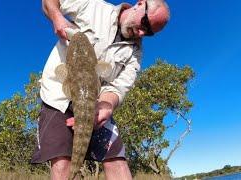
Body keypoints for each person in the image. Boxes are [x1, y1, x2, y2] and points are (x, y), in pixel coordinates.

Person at [31, 0, 170, 179]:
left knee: (116, 159)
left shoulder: (135, 52)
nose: (142, 33)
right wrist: (57, 17)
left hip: (96, 103)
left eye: (149, 32)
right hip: (57, 98)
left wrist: (106, 106)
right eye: (145, 23)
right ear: (140, 4)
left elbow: (120, 86)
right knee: (62, 161)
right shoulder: (93, 6)